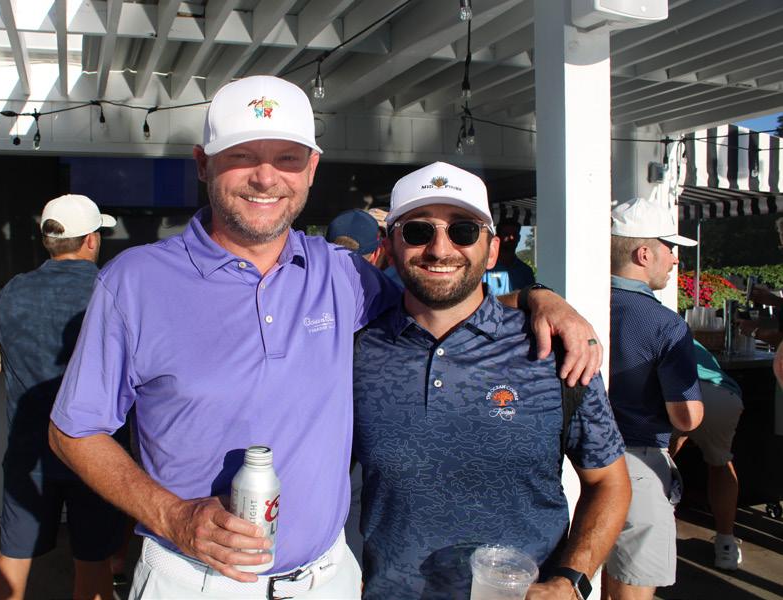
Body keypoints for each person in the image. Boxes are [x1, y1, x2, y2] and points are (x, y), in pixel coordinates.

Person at [46, 75, 602, 600]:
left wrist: (538, 299)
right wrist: (173, 516)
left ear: (311, 168)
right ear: (203, 163)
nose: (266, 178)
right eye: (242, 156)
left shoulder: (341, 274)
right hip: (195, 579)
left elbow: (441, 296)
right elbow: (73, 431)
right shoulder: (135, 282)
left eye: (287, 159)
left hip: (325, 579)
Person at [352, 162, 630, 600]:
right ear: (389, 246)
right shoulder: (357, 353)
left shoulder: (552, 351)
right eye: (418, 231)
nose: (440, 249)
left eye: (463, 231)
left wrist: (570, 581)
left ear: (493, 249)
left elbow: (609, 482)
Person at [0, 194, 126, 600]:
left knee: (12, 557)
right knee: (92, 563)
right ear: (91, 240)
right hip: (96, 452)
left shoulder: (14, 290)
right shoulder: (111, 290)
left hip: (30, 450)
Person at [605, 198, 705, 600]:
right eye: (671, 248)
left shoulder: (572, 305)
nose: (675, 259)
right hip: (636, 467)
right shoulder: (665, 323)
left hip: (575, 461)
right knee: (631, 586)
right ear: (644, 254)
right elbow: (687, 417)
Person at [669, 340, 743, 570]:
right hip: (721, 396)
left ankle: (662, 533)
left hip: (678, 394)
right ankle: (726, 545)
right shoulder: (688, 338)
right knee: (720, 462)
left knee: (657, 461)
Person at [481, 217, 535, 295]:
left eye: (514, 235)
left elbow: (531, 298)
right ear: (497, 238)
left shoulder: (525, 271)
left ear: (519, 238)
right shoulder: (484, 269)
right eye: (506, 234)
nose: (511, 238)